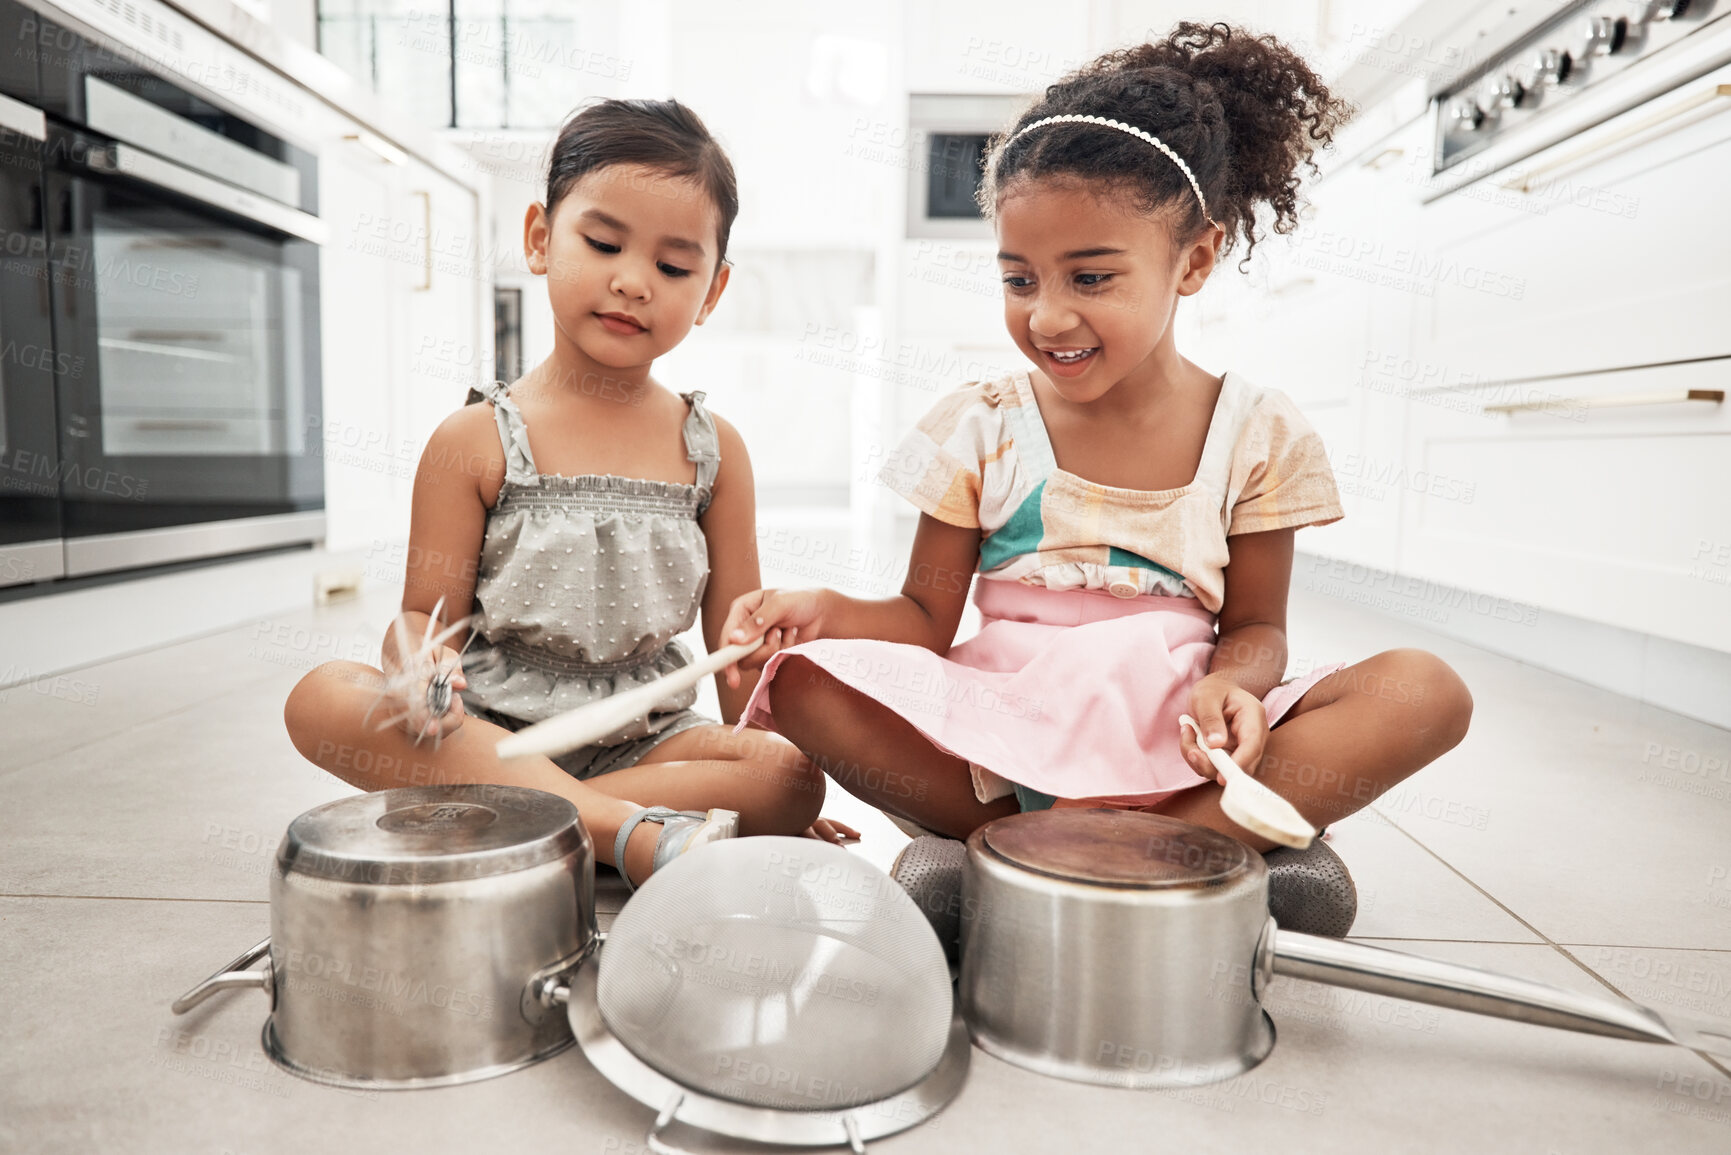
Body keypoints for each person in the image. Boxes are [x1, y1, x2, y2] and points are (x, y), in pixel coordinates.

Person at [716, 25, 1473, 888]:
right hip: (1004, 746)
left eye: (1089, 278)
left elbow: (1256, 628)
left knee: (1426, 689)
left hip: (1176, 736)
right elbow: (924, 620)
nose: (1044, 317)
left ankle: (1076, 856)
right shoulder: (980, 424)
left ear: (1193, 261)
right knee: (805, 682)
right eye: (1018, 278)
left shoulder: (1257, 432)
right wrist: (823, 608)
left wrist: (1232, 684)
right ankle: (1191, 854)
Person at [284, 98, 852, 890]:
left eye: (673, 266)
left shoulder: (716, 452)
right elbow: (424, 617)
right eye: (603, 242)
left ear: (713, 291)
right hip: (482, 726)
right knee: (321, 697)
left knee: (786, 773)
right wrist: (419, 670)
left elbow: (737, 658)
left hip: (646, 740)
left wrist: (773, 793)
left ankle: (502, 819)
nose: (632, 282)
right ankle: (624, 831)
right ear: (540, 240)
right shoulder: (475, 437)